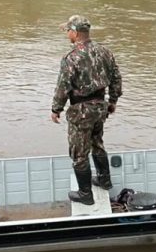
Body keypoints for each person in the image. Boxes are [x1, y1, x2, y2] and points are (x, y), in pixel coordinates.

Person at [51, 15, 122, 205]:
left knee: (79, 153)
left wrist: (56, 109)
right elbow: (116, 78)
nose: (67, 34)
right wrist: (112, 101)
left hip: (81, 111)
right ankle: (104, 180)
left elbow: (63, 87)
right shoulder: (105, 52)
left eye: (68, 31)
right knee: (97, 142)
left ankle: (85, 195)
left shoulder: (71, 58)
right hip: (100, 107)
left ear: (75, 32)